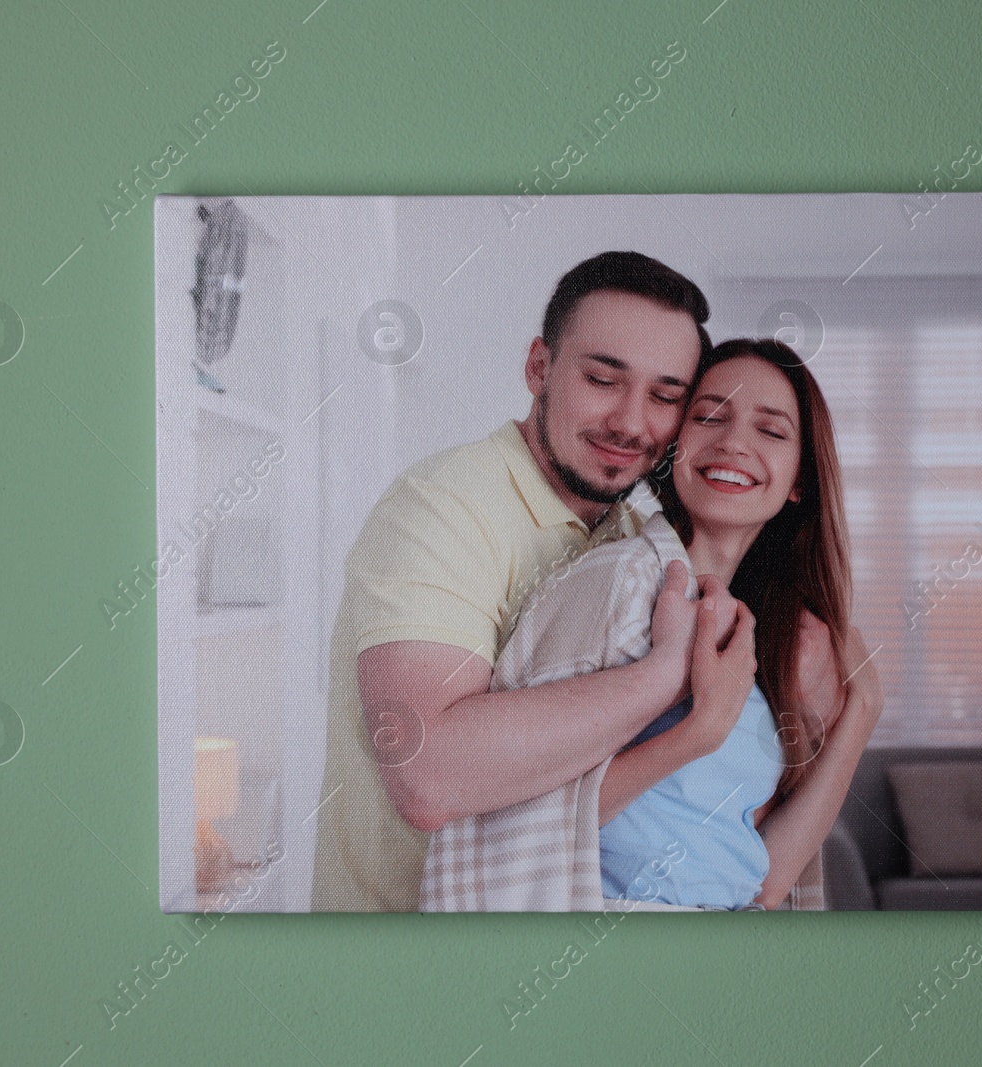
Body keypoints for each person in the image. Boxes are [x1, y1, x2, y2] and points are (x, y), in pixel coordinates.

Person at [309, 252, 873, 910]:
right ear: (539, 368)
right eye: (604, 378)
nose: (632, 422)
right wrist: (670, 684)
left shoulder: (640, 539)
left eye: (666, 396)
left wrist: (858, 709)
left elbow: (748, 862)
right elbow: (427, 777)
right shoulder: (443, 507)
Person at [422, 339, 884, 911]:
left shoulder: (754, 643)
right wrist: (697, 732)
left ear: (799, 483)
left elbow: (762, 882)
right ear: (673, 450)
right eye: (710, 416)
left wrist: (862, 713)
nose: (734, 442)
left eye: (772, 431)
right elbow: (518, 824)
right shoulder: (621, 586)